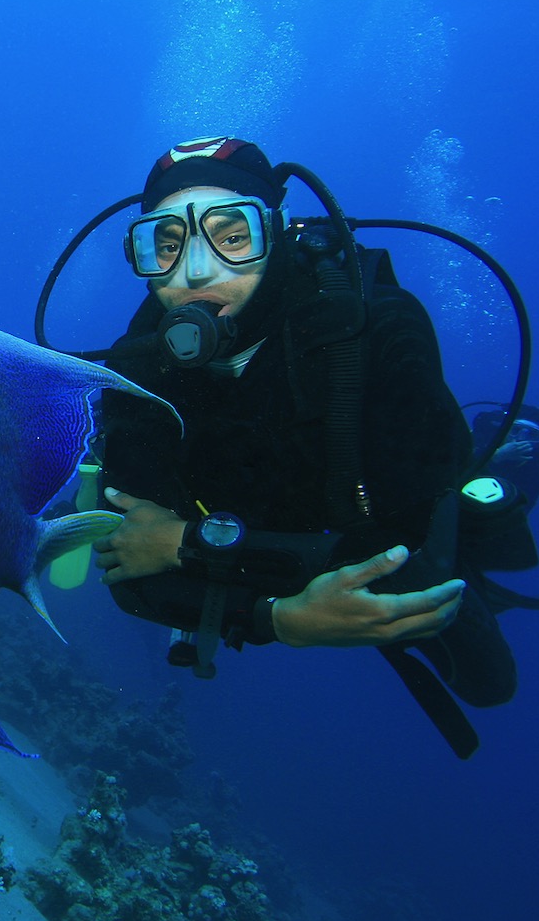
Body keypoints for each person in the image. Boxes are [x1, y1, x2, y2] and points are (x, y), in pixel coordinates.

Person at [89, 136, 516, 753]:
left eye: (233, 237)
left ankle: (502, 474)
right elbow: (126, 567)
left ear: (279, 233)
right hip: (280, 546)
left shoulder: (379, 331)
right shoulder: (142, 367)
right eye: (168, 244)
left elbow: (410, 565)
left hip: (380, 514)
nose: (197, 272)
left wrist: (184, 545)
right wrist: (277, 620)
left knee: (489, 682)